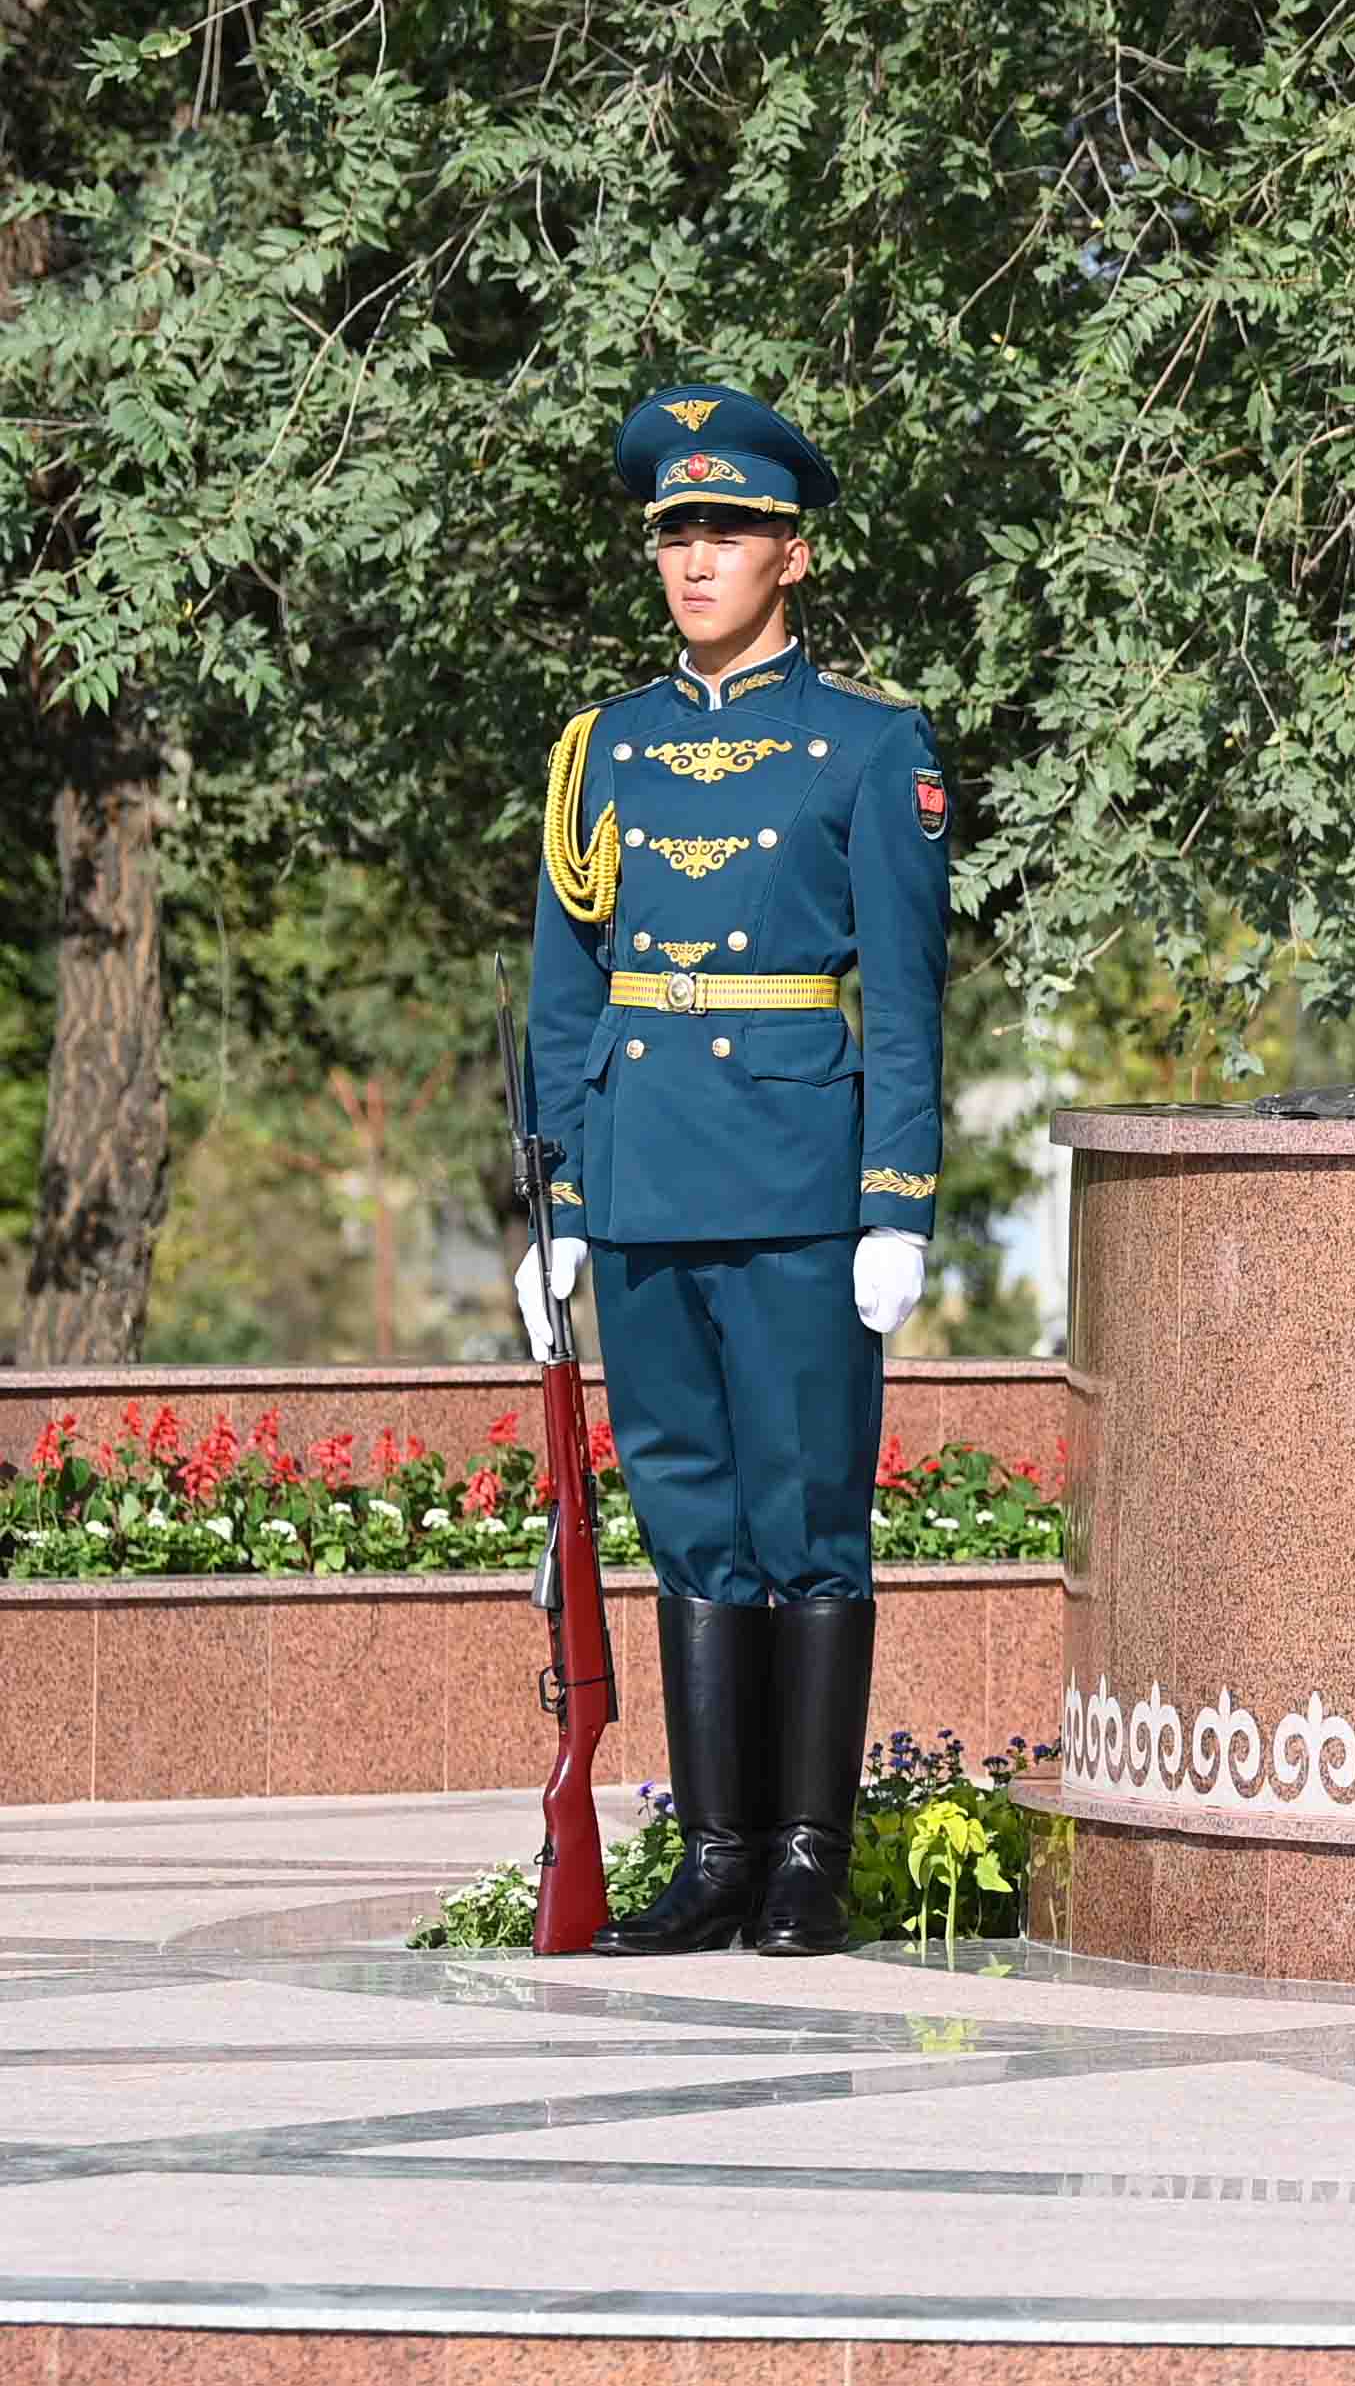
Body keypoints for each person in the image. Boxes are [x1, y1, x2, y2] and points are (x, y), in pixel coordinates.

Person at [518, 383, 948, 1955]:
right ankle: (713, 1859)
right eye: (676, 533)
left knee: (806, 1515)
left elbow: (907, 1001)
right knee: (688, 1517)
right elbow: (568, 991)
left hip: (795, 1179)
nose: (696, 559)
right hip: (642, 1177)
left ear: (793, 554)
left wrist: (896, 1202)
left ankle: (807, 1859)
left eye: (731, 531)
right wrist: (561, 1205)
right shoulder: (605, 750)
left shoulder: (869, 747)